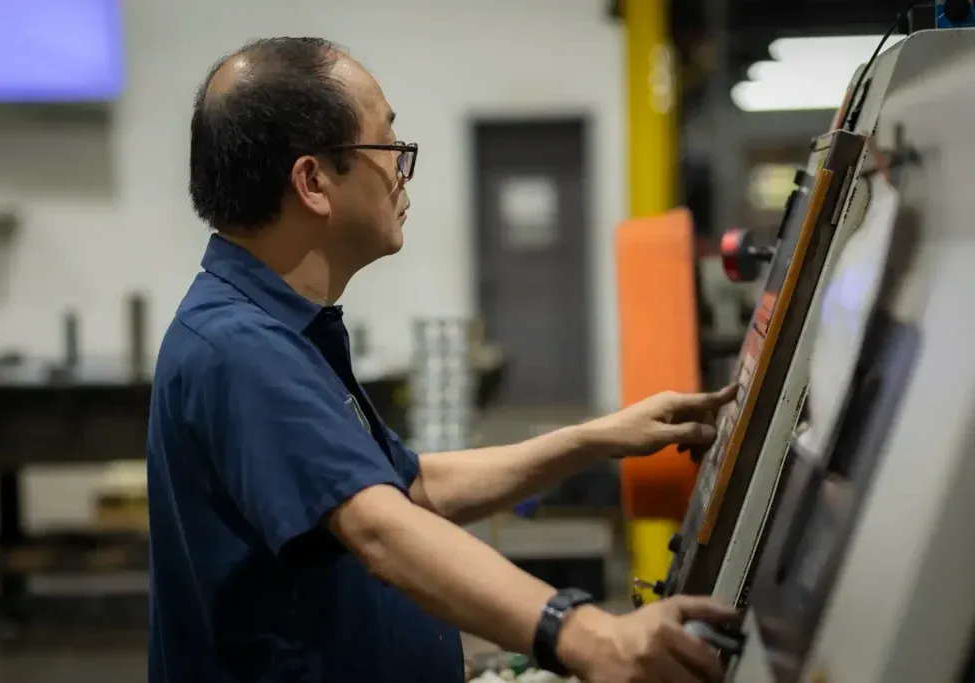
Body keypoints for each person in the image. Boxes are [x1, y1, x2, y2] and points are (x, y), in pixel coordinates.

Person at [147, 36, 739, 683]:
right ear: (313, 181)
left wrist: (598, 437)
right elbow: (382, 530)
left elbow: (407, 488)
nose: (401, 170)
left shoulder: (282, 326)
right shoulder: (238, 348)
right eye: (387, 147)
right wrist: (586, 635)